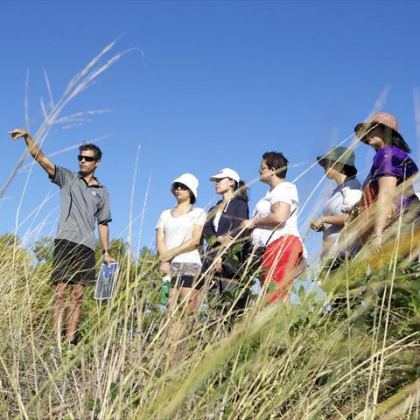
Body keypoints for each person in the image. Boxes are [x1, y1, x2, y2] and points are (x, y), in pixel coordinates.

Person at [9, 129, 113, 344]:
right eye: (80, 157)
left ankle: (70, 342)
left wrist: (106, 252)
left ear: (97, 163)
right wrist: (28, 137)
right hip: (65, 241)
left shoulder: (102, 191)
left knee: (78, 295)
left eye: (88, 158)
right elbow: (41, 159)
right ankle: (55, 341)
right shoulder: (67, 178)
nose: (82, 161)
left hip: (87, 247)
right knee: (60, 292)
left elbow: (103, 223)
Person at [242, 151, 304, 303]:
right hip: (273, 246)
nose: (259, 171)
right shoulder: (273, 192)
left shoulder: (284, 189)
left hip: (281, 244)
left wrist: (254, 222)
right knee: (272, 293)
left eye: (262, 168)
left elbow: (279, 217)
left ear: (273, 170)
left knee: (275, 296)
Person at [354, 112, 419, 251]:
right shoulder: (384, 156)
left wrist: (378, 233)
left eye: (373, 128)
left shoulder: (388, 154)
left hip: (399, 224)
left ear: (386, 131)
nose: (368, 133)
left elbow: (387, 193)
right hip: (402, 223)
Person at [156, 173, 206, 314]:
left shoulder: (199, 212)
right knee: (170, 310)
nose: (178, 189)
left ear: (191, 191)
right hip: (169, 266)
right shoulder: (165, 214)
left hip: (190, 263)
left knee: (188, 309)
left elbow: (195, 240)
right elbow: (160, 239)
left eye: (183, 186)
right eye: (176, 186)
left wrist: (172, 253)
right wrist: (165, 261)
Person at [201, 168, 249, 314]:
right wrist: (218, 238)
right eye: (216, 181)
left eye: (220, 180)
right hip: (211, 261)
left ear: (232, 182)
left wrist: (222, 256)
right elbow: (206, 230)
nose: (216, 183)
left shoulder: (240, 204)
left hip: (230, 263)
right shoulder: (213, 208)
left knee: (230, 306)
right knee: (214, 306)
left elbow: (237, 233)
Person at [310, 146, 362, 268]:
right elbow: (334, 223)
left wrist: (323, 219)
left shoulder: (352, 187)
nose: (324, 167)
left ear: (340, 165)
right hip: (330, 255)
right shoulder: (335, 191)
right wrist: (322, 226)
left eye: (328, 163)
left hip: (344, 254)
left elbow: (351, 217)